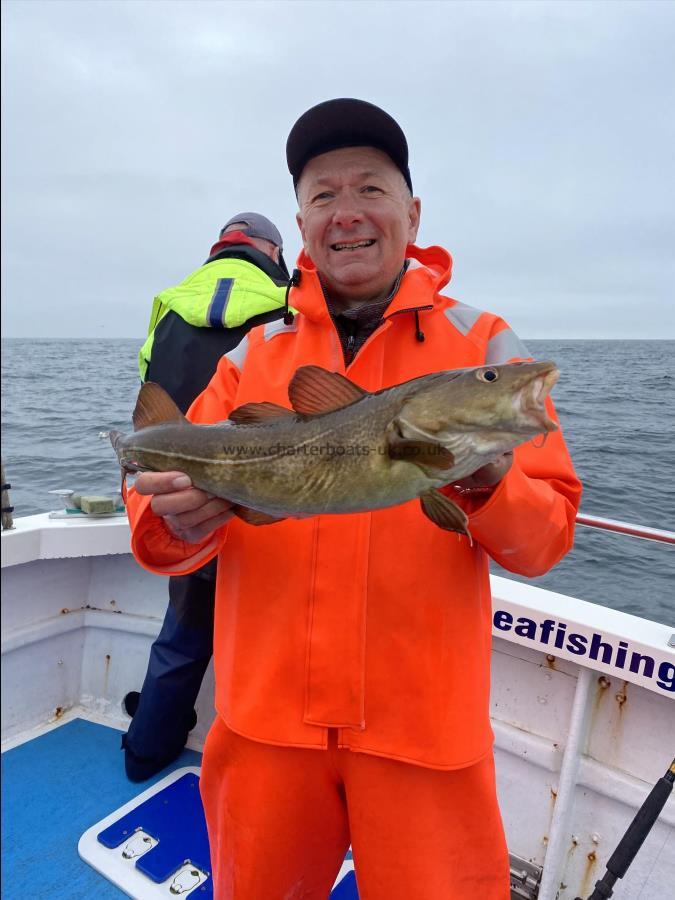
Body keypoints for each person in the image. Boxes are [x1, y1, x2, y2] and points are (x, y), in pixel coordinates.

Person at [125, 99, 582, 898]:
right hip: (263, 727)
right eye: (322, 195)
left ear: (412, 210)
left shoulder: (485, 347)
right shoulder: (251, 355)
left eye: (369, 188)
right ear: (300, 224)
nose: (346, 214)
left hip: (424, 736)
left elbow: (544, 542)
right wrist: (173, 518)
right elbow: (158, 531)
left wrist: (486, 482)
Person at [122, 213, 289, 782]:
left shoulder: (169, 303)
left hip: (180, 489)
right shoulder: (283, 300)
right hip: (260, 492)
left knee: (183, 631)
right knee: (265, 649)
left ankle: (146, 750)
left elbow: (147, 388)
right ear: (271, 249)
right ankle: (250, 773)